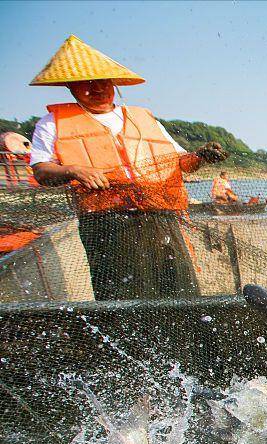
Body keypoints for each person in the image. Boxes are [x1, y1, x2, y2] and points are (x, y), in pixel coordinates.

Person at [27, 35, 226, 300]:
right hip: (106, 223)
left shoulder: (143, 117)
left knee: (180, 289)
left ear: (113, 84)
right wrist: (74, 170)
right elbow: (41, 171)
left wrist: (201, 156)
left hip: (161, 218)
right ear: (69, 86)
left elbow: (181, 162)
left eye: (102, 81)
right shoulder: (52, 123)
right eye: (85, 83)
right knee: (122, 296)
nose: (96, 88)